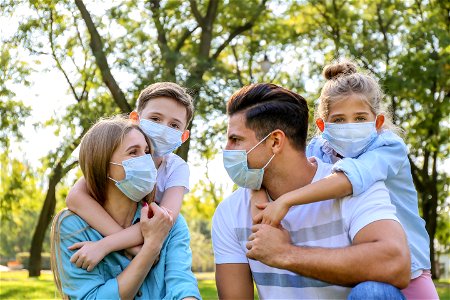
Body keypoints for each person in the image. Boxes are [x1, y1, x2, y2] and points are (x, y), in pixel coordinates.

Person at [251, 60, 438, 299]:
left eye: (360, 118)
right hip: (353, 262)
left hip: (408, 265)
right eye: (339, 120)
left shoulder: (388, 146)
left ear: (377, 122)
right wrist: (258, 195)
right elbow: (282, 172)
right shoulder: (319, 148)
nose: (350, 126)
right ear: (322, 125)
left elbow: (349, 180)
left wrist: (286, 201)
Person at [212, 83, 410, 299]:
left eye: (235, 140)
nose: (227, 150)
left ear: (275, 142)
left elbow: (396, 264)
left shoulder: (355, 185)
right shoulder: (230, 211)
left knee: (376, 293)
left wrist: (284, 254)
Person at [50, 116, 200, 299]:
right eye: (133, 152)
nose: (146, 160)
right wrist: (151, 247)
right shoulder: (72, 226)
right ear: (103, 164)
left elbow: (183, 286)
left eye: (146, 152)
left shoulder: (169, 222)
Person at [64, 82, 193, 270]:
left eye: (174, 125)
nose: (164, 128)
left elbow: (163, 221)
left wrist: (106, 245)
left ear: (183, 136)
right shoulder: (114, 156)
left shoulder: (176, 168)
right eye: (155, 119)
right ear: (135, 119)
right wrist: (132, 247)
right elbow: (75, 198)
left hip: (154, 252)